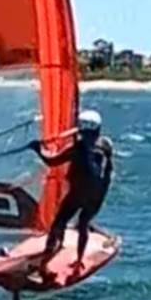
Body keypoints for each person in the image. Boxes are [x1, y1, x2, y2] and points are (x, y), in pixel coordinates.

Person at [32, 108, 115, 266]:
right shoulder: (106, 144)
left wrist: (38, 149)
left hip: (78, 194)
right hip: (97, 196)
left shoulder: (77, 148)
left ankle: (46, 257)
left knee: (59, 222)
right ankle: (78, 260)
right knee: (83, 224)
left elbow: (52, 161)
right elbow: (108, 170)